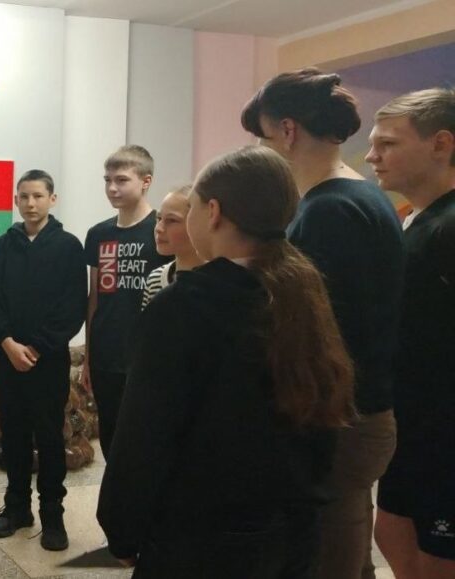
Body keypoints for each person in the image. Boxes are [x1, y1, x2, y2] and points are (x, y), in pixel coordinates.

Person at [97, 146, 355, 578]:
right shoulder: (304, 289)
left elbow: (144, 434)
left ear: (213, 212)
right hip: (293, 529)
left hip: (202, 536)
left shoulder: (181, 307)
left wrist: (122, 527)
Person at [241, 68, 404, 579]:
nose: (262, 150)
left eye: (263, 137)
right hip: (360, 409)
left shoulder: (329, 210)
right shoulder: (358, 195)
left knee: (332, 557)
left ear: (287, 131)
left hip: (344, 418)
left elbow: (315, 330)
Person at [367, 88, 455, 579]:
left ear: (441, 144)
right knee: (392, 532)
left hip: (443, 433)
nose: (372, 156)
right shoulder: (412, 220)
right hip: (411, 426)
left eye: (388, 144)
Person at [0, 170, 87, 551]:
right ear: (16, 200)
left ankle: (52, 513)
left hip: (48, 361)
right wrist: (8, 343)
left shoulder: (69, 247)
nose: (30, 203)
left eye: (38, 196)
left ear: (52, 199)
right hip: (9, 359)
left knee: (49, 435)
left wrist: (37, 347)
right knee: (14, 433)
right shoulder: (2, 247)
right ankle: (17, 507)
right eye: (23, 196)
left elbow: (73, 307)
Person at [83, 145, 170, 458]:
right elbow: (95, 299)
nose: (112, 188)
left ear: (146, 181)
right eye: (107, 180)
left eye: (121, 180)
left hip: (147, 355)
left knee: (145, 441)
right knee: (111, 437)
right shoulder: (99, 233)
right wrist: (89, 357)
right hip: (106, 354)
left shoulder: (164, 230)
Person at [140, 185, 202, 309]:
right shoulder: (155, 279)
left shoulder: (218, 281)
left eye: (172, 220)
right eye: (158, 218)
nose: (159, 228)